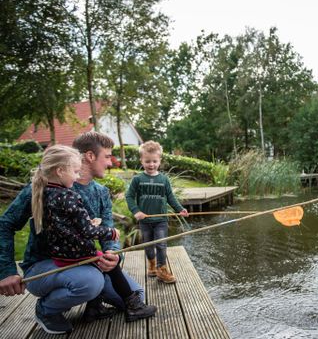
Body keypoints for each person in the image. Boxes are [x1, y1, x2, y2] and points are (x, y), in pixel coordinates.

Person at [0, 132, 145, 335]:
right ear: (90, 156)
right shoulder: (42, 187)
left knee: (137, 295)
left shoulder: (101, 192)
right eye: (107, 156)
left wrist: (113, 254)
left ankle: (94, 300)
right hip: (44, 267)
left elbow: (108, 231)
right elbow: (5, 224)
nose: (111, 163)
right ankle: (46, 309)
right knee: (91, 282)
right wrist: (6, 271)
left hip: (84, 262)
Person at [30, 144, 156, 330]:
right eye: (107, 156)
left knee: (125, 280)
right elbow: (87, 231)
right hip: (66, 255)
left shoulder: (46, 192)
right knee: (104, 270)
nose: (77, 175)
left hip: (63, 251)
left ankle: (94, 307)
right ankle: (133, 307)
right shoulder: (68, 195)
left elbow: (64, 223)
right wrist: (110, 232)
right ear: (60, 171)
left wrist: (113, 250)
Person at [126, 141, 188, 283]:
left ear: (159, 160)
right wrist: (136, 211)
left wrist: (180, 209)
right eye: (147, 161)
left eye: (154, 161)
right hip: (145, 221)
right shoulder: (138, 179)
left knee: (161, 244)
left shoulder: (164, 179)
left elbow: (171, 197)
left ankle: (161, 269)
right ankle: (152, 265)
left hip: (161, 220)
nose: (151, 164)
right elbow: (129, 196)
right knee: (148, 246)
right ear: (141, 160)